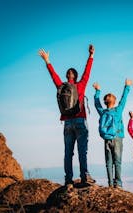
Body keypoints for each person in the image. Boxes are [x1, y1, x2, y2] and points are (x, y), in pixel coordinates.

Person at [38, 44, 95, 186]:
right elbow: (87, 72)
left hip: (68, 123)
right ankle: (84, 177)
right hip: (80, 121)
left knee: (68, 153)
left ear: (66, 76)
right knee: (82, 151)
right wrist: (91, 56)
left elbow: (53, 76)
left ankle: (68, 179)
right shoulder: (80, 85)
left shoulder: (62, 86)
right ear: (75, 76)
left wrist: (47, 61)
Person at [93, 79, 133, 188]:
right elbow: (123, 99)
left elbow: (97, 104)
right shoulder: (118, 110)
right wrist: (127, 86)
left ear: (105, 102)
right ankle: (118, 184)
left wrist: (97, 91)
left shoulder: (103, 112)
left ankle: (110, 184)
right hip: (117, 138)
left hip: (107, 139)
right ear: (114, 101)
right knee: (118, 162)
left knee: (109, 163)